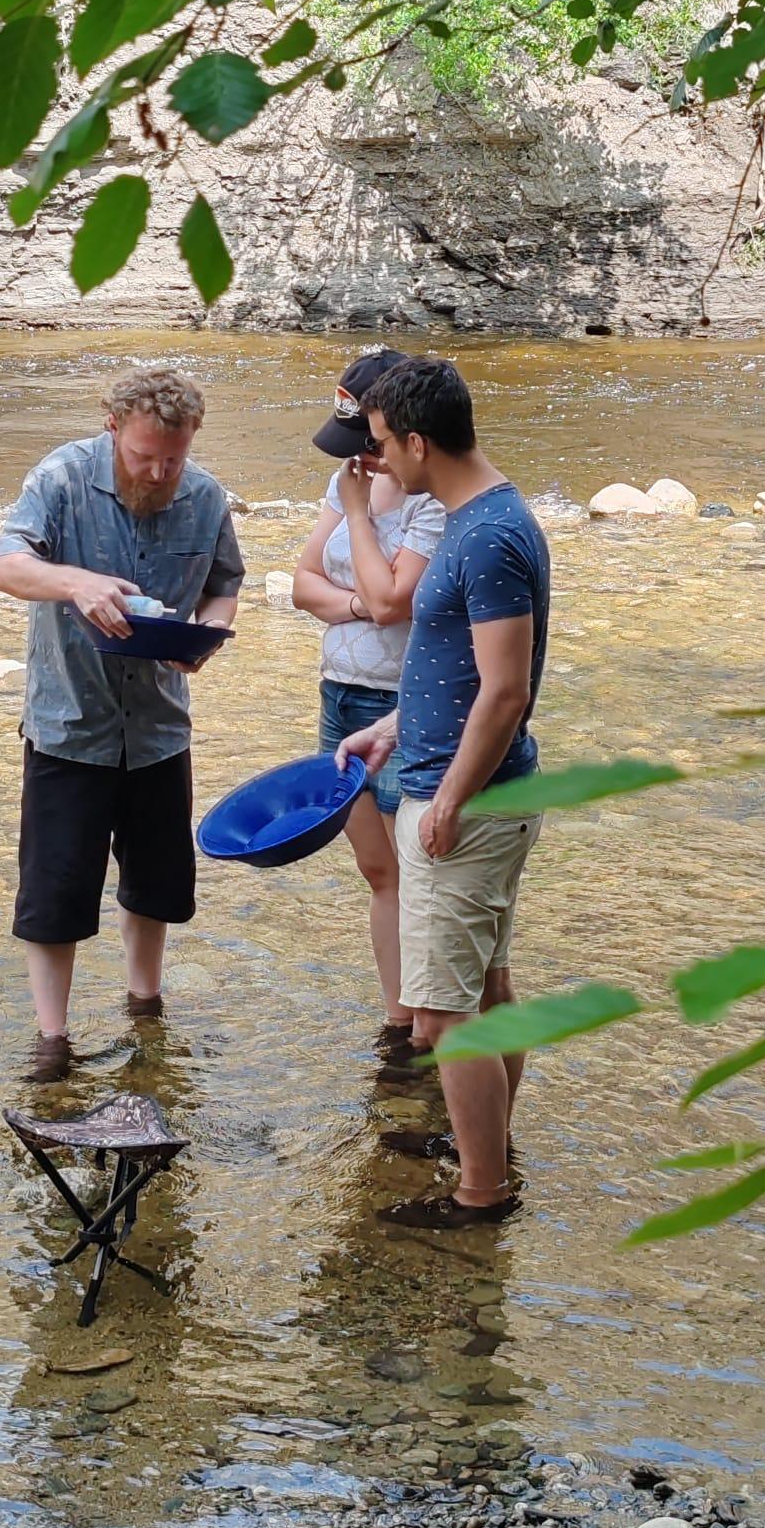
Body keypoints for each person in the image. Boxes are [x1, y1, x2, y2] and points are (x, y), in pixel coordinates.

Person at [335, 357, 549, 1230]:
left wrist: (452, 799)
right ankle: (484, 1147)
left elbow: (504, 690)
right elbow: (459, 673)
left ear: (419, 440)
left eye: (383, 443)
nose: (377, 459)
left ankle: (481, 1193)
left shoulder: (487, 536)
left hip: (467, 802)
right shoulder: (481, 518)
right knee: (488, 992)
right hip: (453, 777)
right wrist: (393, 729)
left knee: (445, 1015)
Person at [0, 366, 244, 1079]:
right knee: (56, 890)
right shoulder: (63, 478)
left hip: (160, 728)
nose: (160, 472)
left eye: (174, 457)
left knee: (156, 884)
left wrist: (210, 634)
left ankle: (145, 1003)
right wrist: (76, 581)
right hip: (70, 721)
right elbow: (4, 567)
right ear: (113, 430)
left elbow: (225, 584)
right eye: (144, 457)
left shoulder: (205, 495)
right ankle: (51, 1038)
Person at [291, 350, 444, 1050]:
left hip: (408, 703)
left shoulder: (434, 498)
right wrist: (354, 600)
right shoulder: (346, 478)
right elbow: (301, 582)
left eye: (371, 444)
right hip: (341, 696)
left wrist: (356, 523)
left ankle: (432, 1019)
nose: (362, 459)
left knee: (422, 867)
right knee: (377, 869)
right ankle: (397, 1018)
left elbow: (393, 604)